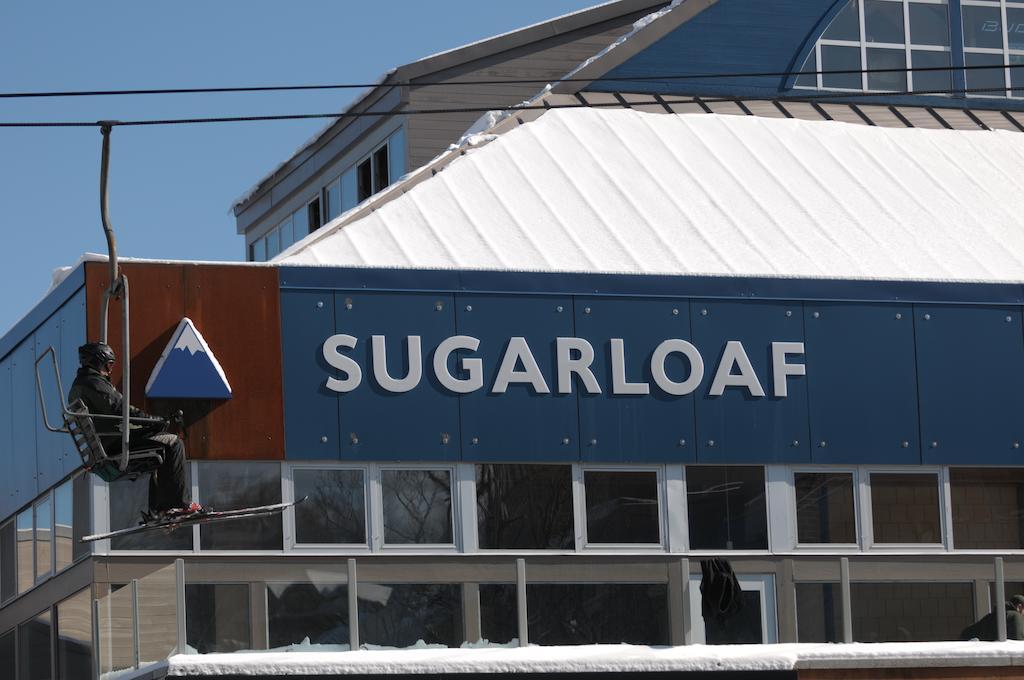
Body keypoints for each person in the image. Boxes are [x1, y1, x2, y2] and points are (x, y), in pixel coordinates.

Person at [69, 342, 202, 521]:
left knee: (159, 448)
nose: (110, 370)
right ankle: (177, 504)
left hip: (106, 443)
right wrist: (150, 419)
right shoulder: (93, 383)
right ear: (98, 362)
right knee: (173, 443)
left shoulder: (81, 385)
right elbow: (119, 408)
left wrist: (147, 424)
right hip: (114, 443)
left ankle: (159, 509)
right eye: (109, 364)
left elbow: (111, 413)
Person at [959, 594, 1024, 641]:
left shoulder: (990, 617)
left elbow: (966, 632)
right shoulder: (1015, 616)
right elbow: (1018, 643)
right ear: (1019, 607)